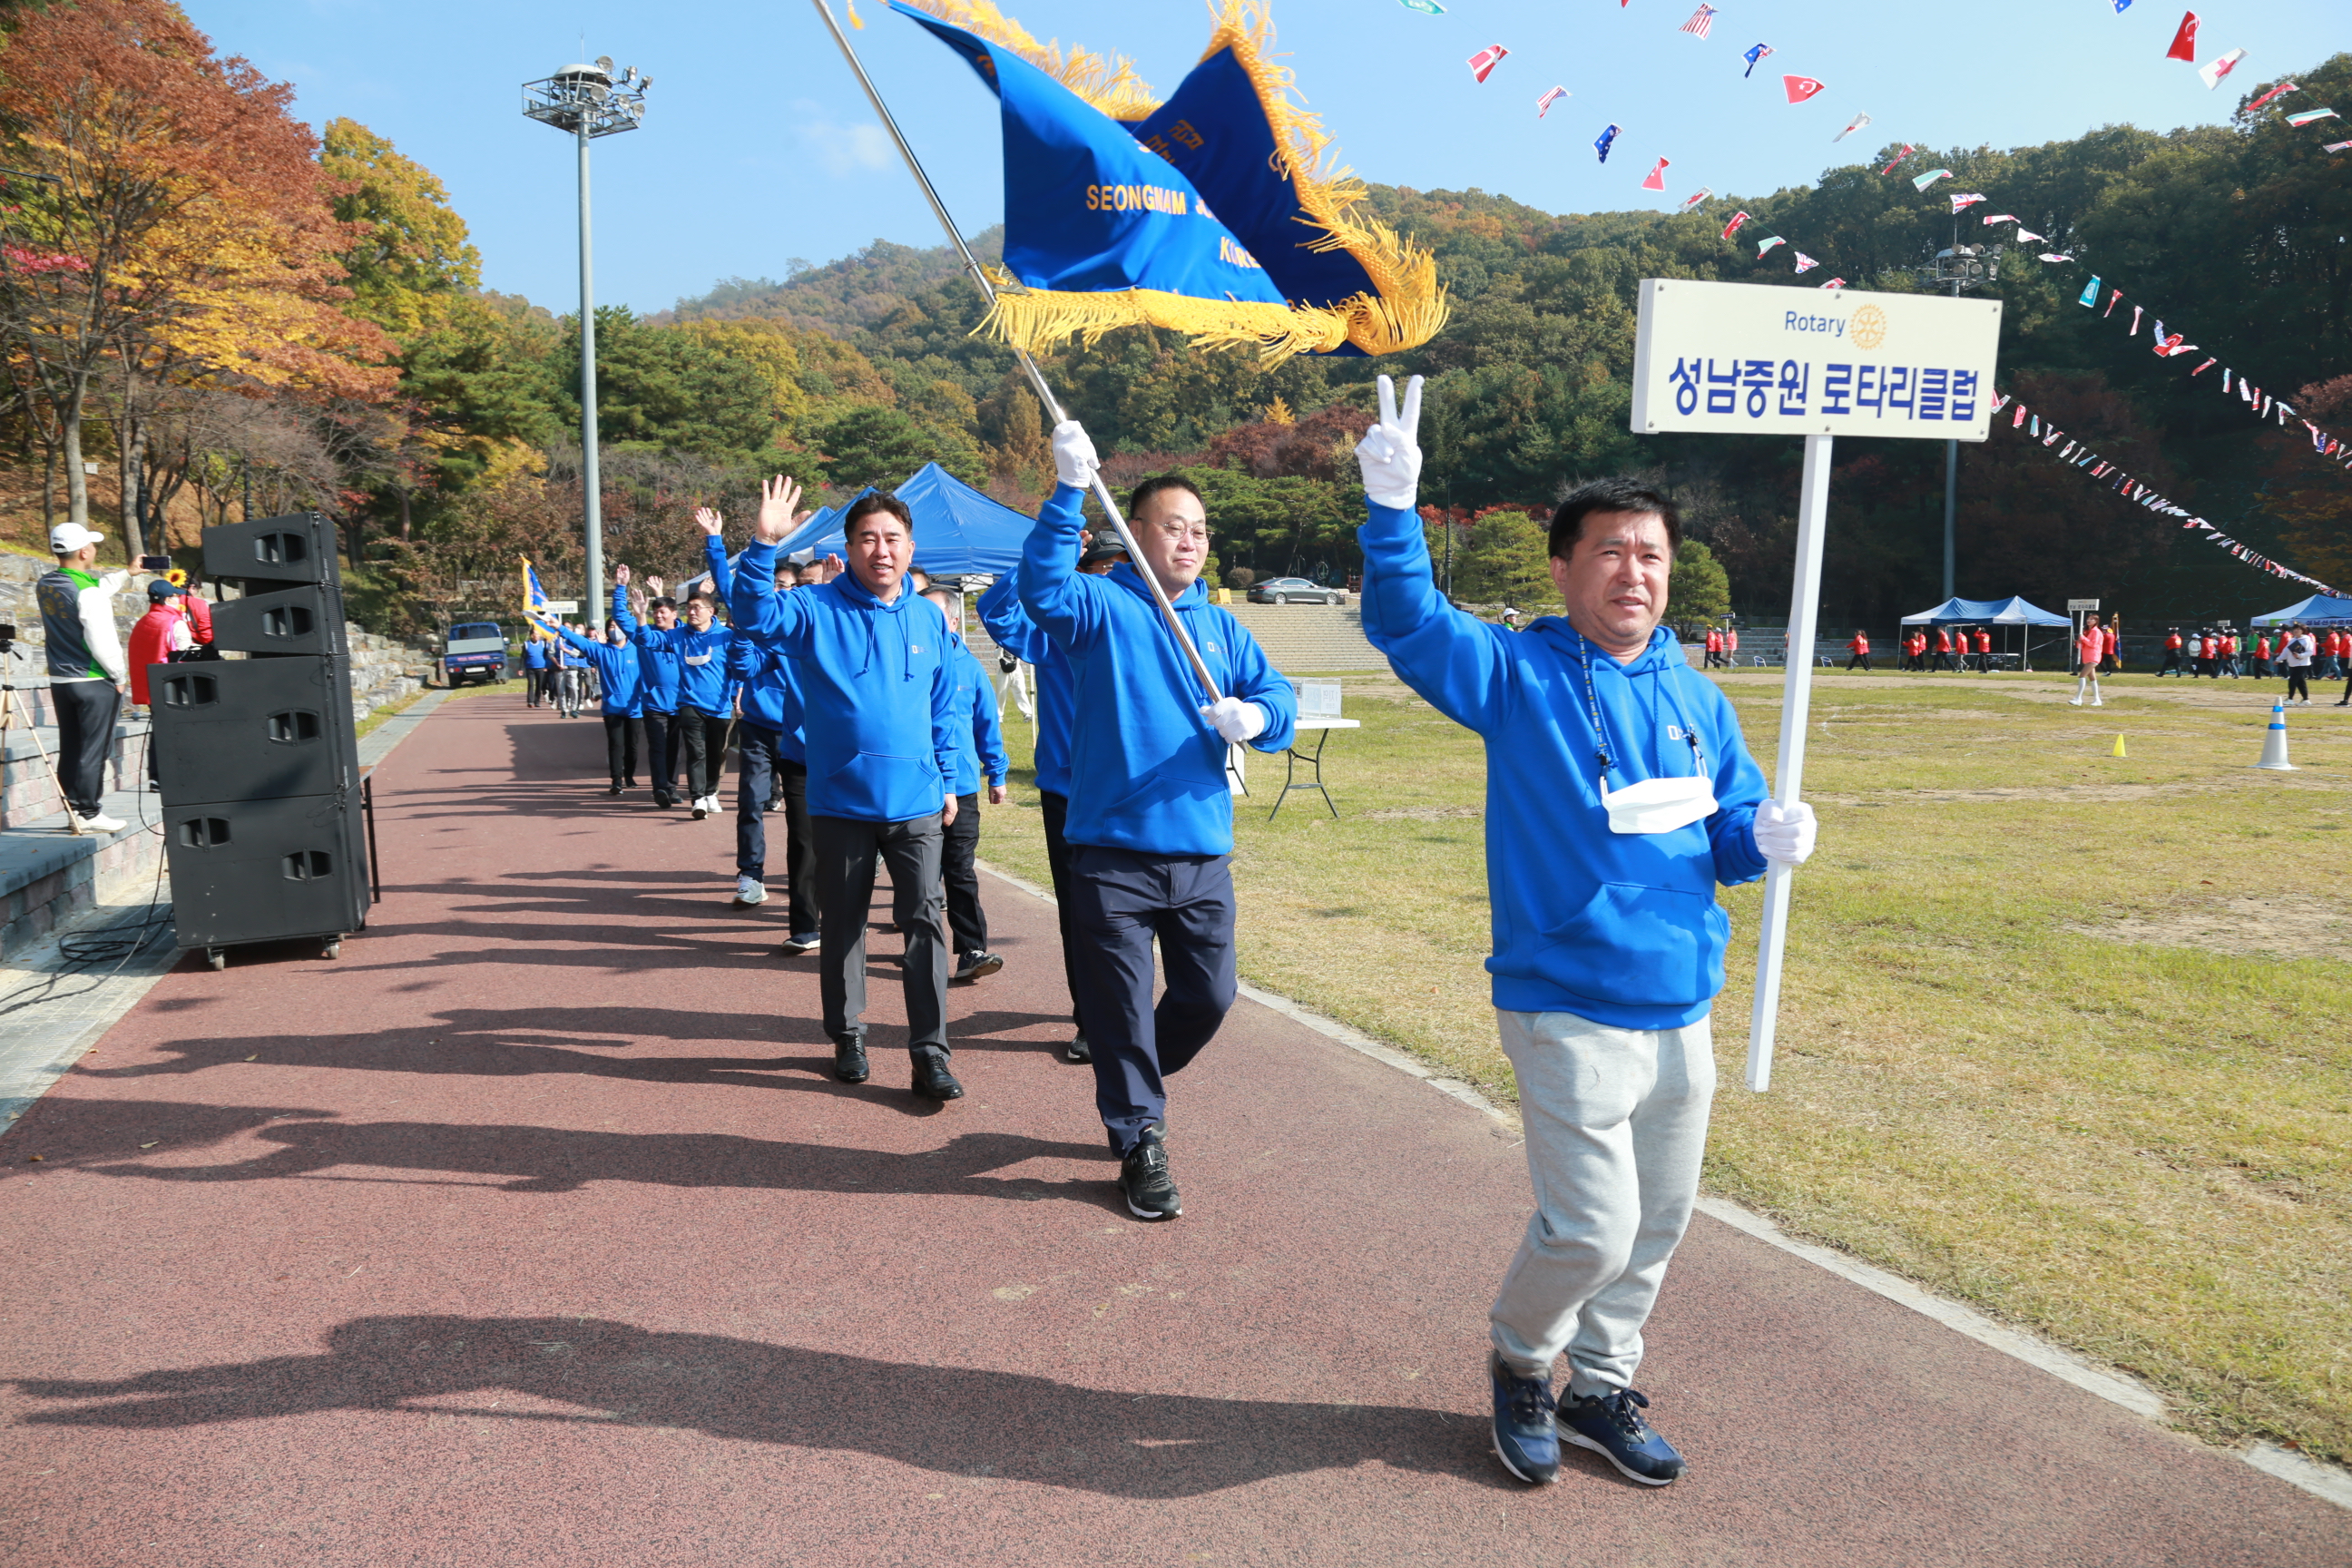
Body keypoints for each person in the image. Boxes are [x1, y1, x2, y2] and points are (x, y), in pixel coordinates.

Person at [1351, 375, 1811, 1490]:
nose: (1634, 573)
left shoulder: (1701, 699)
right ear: (1565, 568)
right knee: (1593, 1229)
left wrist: (1770, 834)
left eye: (1650, 554)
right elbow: (1408, 626)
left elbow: (1729, 842)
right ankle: (1522, 1359)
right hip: (1564, 997)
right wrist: (1393, 516)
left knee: (1658, 1223)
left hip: (1680, 1005)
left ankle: (1602, 1383)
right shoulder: (1519, 676)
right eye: (1609, 551)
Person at [1020, 429, 1298, 1222]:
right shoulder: (1104, 606)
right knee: (1118, 1001)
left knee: (1209, 996)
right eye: (1173, 525)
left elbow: (1277, 699)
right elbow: (1041, 592)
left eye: (1200, 530)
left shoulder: (1224, 628)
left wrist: (1258, 716)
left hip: (1201, 852)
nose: (1190, 540)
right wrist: (1068, 490)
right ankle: (1139, 1133)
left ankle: (1132, 1073)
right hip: (1111, 853)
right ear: (1136, 534)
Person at [731, 479, 965, 1102]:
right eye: (868, 538)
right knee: (844, 927)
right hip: (839, 801)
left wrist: (948, 777)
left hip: (915, 800)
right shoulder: (813, 608)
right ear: (850, 547)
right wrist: (762, 542)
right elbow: (752, 615)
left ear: (910, 548)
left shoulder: (928, 615)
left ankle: (930, 1053)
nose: (880, 551)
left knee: (925, 925)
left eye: (892, 538)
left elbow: (945, 705)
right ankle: (848, 1034)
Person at [978, 534, 1124, 1065]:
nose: (1109, 579)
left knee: (1139, 914)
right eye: (1099, 568)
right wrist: (1041, 555)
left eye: (1121, 568)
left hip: (1133, 795)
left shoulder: (1147, 624)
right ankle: (1090, 1016)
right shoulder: (1059, 629)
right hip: (1069, 791)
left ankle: (1131, 1010)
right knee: (1081, 912)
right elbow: (994, 609)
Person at [926, 583, 1009, 983]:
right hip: (915, 787)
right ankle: (921, 947)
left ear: (954, 621)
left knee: (959, 869)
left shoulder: (970, 668)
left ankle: (972, 949)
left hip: (960, 786)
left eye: (935, 615)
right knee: (922, 876)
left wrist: (997, 772)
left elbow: (986, 725)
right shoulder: (907, 663)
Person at [727, 569, 818, 936]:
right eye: (780, 585)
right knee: (751, 799)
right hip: (760, 728)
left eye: (793, 586)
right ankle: (751, 875)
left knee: (812, 825)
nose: (787, 591)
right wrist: (742, 628)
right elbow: (743, 666)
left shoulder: (815, 631)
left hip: (806, 737)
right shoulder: (772, 632)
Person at [632, 515, 739, 819]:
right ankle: (699, 798)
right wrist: (641, 618)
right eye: (688, 608)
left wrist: (738, 692)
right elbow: (648, 641)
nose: (691, 612)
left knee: (715, 753)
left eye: (696, 608)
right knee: (696, 751)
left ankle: (712, 791)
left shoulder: (726, 635)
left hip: (719, 705)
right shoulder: (677, 635)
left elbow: (740, 666)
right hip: (689, 703)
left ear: (711, 611)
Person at [36, 523, 130, 834]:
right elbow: (102, 640)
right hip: (93, 680)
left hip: (62, 680)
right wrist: (119, 675)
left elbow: (89, 595)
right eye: (92, 544)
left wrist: (128, 573)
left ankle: (73, 811)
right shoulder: (88, 592)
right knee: (94, 749)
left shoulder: (47, 584)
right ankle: (90, 812)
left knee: (72, 747)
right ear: (84, 551)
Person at [535, 593, 642, 796]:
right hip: (612, 707)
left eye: (619, 626)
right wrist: (559, 627)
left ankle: (629, 776)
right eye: (611, 627)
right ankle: (616, 781)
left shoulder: (638, 649)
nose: (615, 630)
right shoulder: (601, 650)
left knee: (633, 747)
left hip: (635, 707)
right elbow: (578, 642)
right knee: (616, 745)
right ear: (607, 631)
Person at [126, 578, 191, 791]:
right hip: (173, 685)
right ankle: (179, 774)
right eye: (175, 596)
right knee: (179, 730)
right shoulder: (175, 623)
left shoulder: (142, 622)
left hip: (149, 687)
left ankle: (156, 777)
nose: (178, 599)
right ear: (167, 599)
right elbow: (186, 654)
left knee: (158, 729)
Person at [2070, 615, 2104, 707]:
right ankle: (2097, 699)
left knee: (2082, 676)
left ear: (2096, 621)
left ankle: (2078, 698)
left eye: (2092, 619)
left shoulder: (2096, 631)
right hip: (2087, 657)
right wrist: (2079, 642)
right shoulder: (2087, 631)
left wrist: (2083, 638)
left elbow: (2093, 644)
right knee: (2092, 679)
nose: (2089, 620)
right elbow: (2082, 646)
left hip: (2093, 657)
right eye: (2088, 619)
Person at [2280, 622, 2315, 704]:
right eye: (2295, 629)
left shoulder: (2307, 640)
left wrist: (2300, 655)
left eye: (2298, 629)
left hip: (2302, 664)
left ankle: (2290, 699)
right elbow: (2286, 651)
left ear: (2303, 631)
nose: (2296, 631)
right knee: (2300, 682)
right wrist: (2279, 659)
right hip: (2293, 664)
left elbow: (2310, 652)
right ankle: (2306, 700)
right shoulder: (2292, 640)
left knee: (2292, 680)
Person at [522, 632, 553, 707]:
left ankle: (537, 701)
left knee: (539, 685)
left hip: (541, 667)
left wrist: (546, 666)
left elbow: (546, 655)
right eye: (536, 634)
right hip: (530, 668)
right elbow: (523, 657)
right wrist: (521, 668)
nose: (538, 636)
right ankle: (530, 701)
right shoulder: (526, 644)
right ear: (532, 635)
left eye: (539, 634)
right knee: (531, 684)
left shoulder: (543, 643)